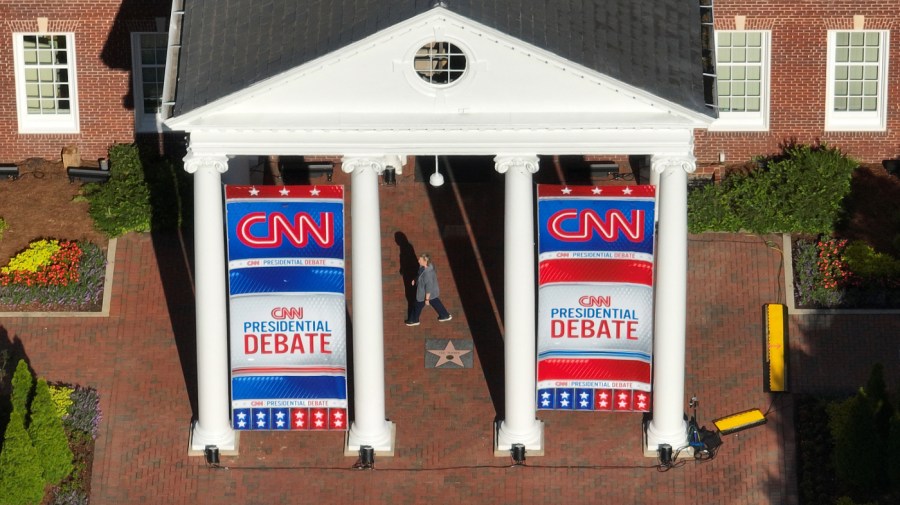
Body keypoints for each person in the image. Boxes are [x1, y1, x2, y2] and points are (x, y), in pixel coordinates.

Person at [405, 253, 452, 326]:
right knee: (435, 301)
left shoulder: (428, 274)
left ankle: (414, 320)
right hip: (432, 293)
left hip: (424, 294)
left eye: (420, 260)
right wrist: (415, 279)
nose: (418, 261)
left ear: (425, 261)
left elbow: (428, 287)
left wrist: (427, 299)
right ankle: (445, 315)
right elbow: (420, 275)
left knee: (417, 305)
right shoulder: (425, 267)